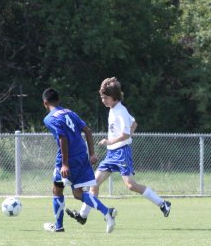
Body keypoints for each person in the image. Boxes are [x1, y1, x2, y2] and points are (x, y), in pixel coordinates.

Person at [65, 77, 171, 226]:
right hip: (111, 154)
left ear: (114, 97)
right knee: (94, 183)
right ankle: (83, 215)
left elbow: (126, 133)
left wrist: (112, 141)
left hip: (121, 153)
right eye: (102, 97)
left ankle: (163, 203)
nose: (103, 100)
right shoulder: (114, 109)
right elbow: (134, 123)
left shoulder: (120, 111)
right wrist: (119, 141)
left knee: (131, 185)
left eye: (105, 97)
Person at [41, 88, 117, 233]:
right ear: (58, 101)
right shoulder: (69, 112)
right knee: (78, 193)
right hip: (82, 156)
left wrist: (64, 164)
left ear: (45, 103)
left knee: (57, 190)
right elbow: (87, 131)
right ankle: (107, 212)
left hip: (68, 160)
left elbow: (62, 138)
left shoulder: (49, 118)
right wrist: (92, 154)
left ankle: (58, 226)